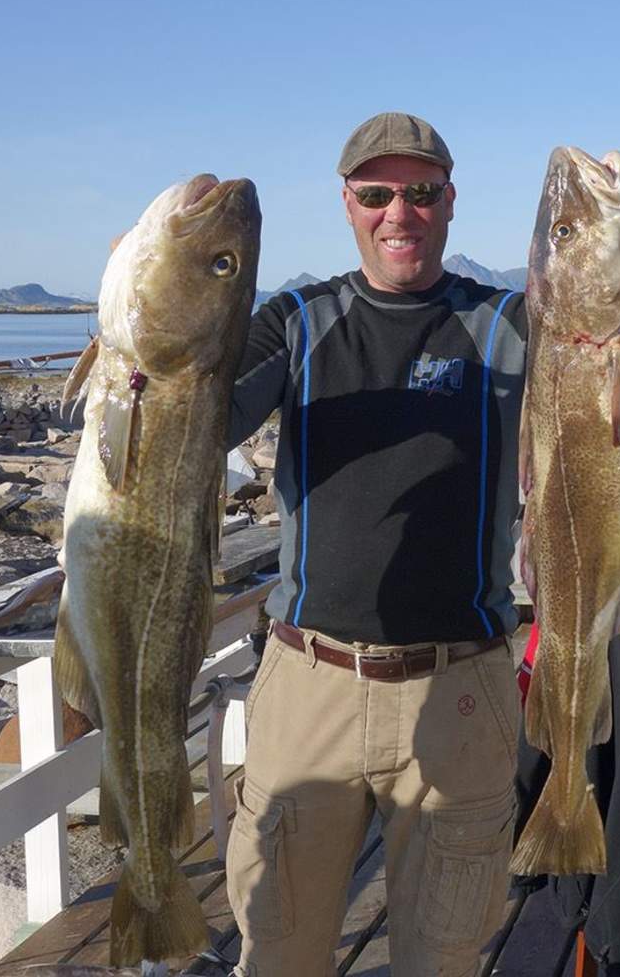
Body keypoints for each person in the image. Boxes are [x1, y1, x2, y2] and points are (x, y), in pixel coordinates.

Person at [222, 111, 529, 977]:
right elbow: (195, 416)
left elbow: (615, 395)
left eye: (422, 191)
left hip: (462, 685)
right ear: (348, 203)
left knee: (445, 959)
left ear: (451, 202)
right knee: (279, 953)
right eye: (378, 193)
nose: (401, 211)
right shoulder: (296, 323)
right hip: (308, 683)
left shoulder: (507, 326)